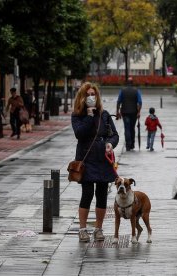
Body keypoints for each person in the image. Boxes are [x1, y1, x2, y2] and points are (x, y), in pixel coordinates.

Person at [71, 82, 119, 242]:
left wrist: (110, 143)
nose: (91, 97)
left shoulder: (104, 114)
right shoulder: (77, 115)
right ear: (82, 97)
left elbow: (115, 135)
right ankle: (82, 229)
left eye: (94, 94)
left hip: (102, 160)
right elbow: (79, 134)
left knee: (102, 194)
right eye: (88, 95)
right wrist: (89, 116)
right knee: (87, 193)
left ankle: (98, 228)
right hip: (86, 158)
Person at [116, 77, 142, 151]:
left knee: (127, 128)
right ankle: (132, 144)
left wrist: (117, 112)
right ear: (132, 83)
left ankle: (128, 145)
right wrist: (139, 112)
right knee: (132, 128)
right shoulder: (137, 91)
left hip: (125, 112)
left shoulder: (122, 90)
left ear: (127, 83)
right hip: (134, 112)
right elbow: (139, 102)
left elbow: (118, 101)